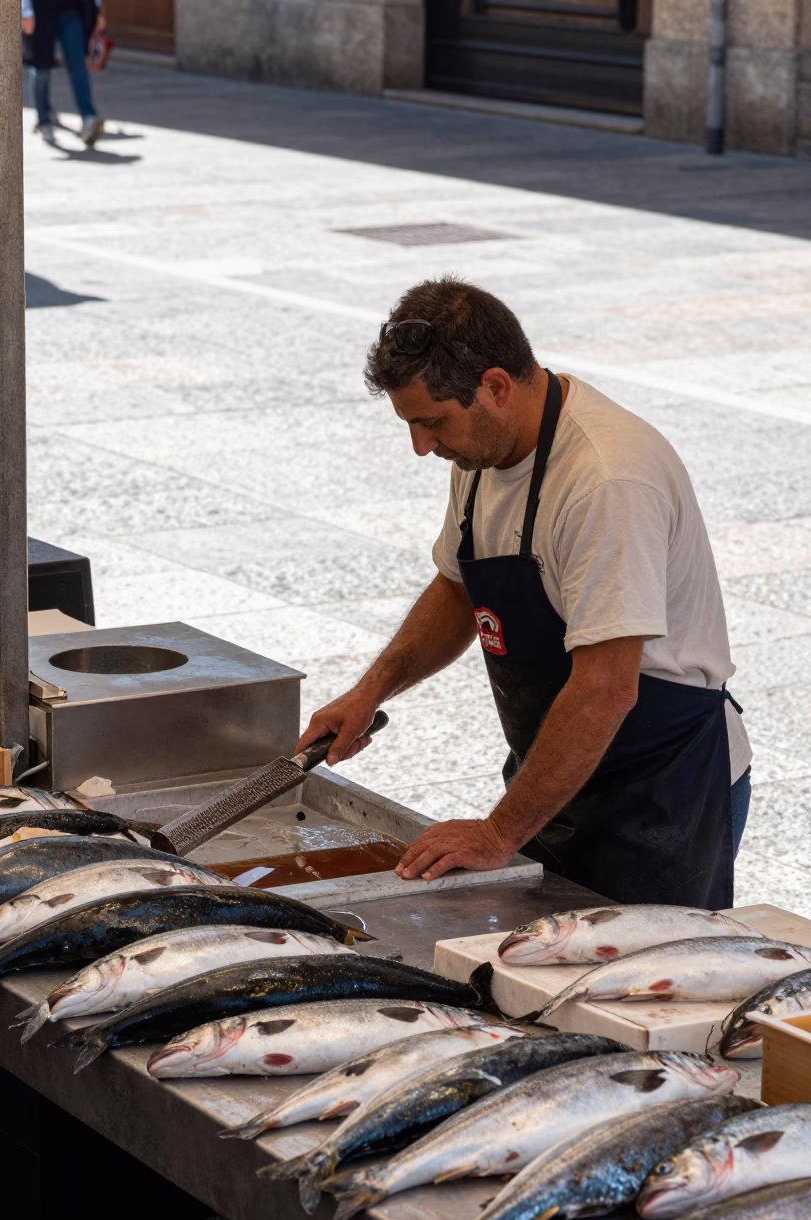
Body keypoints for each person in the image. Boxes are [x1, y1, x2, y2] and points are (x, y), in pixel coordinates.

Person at [298, 277, 753, 909]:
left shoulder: (606, 479)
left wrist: (499, 832)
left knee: (639, 993)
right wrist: (370, 691)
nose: (421, 447)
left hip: (660, 789)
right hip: (559, 772)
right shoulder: (482, 453)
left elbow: (605, 688)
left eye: (432, 423)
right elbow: (459, 590)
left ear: (495, 387)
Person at [21, 0, 105, 147]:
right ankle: (44, 120)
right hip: (41, 12)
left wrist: (97, 9)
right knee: (41, 68)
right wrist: (26, 11)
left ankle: (88, 117)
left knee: (77, 64)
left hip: (71, 10)